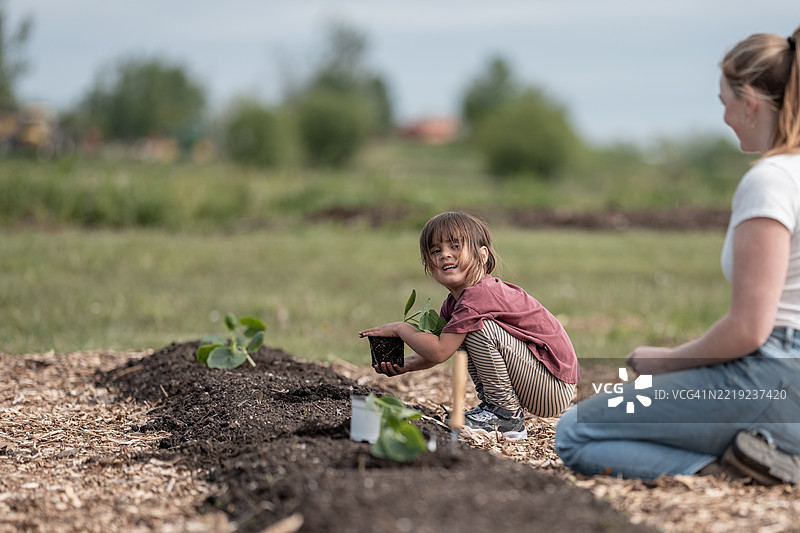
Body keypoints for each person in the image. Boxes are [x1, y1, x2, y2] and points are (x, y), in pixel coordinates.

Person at [555, 26, 800, 484]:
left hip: (776, 381)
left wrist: (664, 362)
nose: (724, 115)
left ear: (750, 101)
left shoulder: (773, 181)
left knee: (576, 431)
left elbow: (749, 329)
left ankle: (733, 473)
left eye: (724, 99)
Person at [359, 211, 581, 440]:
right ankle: (496, 409)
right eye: (436, 250)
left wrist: (400, 329)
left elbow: (439, 349)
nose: (445, 255)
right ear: (429, 264)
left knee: (478, 328)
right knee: (464, 332)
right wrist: (405, 365)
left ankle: (505, 416)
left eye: (455, 246)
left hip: (553, 386)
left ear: (482, 255)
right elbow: (440, 350)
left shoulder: (480, 295)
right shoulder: (457, 302)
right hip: (540, 382)